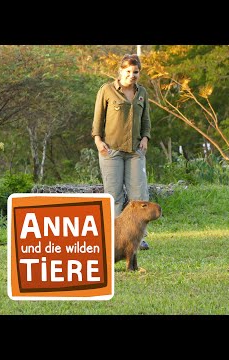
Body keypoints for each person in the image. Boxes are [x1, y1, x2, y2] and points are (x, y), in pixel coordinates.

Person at [92, 53, 151, 250]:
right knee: (114, 196)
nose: (132, 75)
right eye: (128, 71)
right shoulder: (107, 90)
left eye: (136, 72)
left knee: (139, 197)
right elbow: (98, 118)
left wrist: (145, 137)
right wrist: (98, 140)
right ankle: (114, 239)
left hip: (135, 151)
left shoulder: (142, 92)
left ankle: (138, 238)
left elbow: (146, 120)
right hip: (111, 151)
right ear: (120, 71)